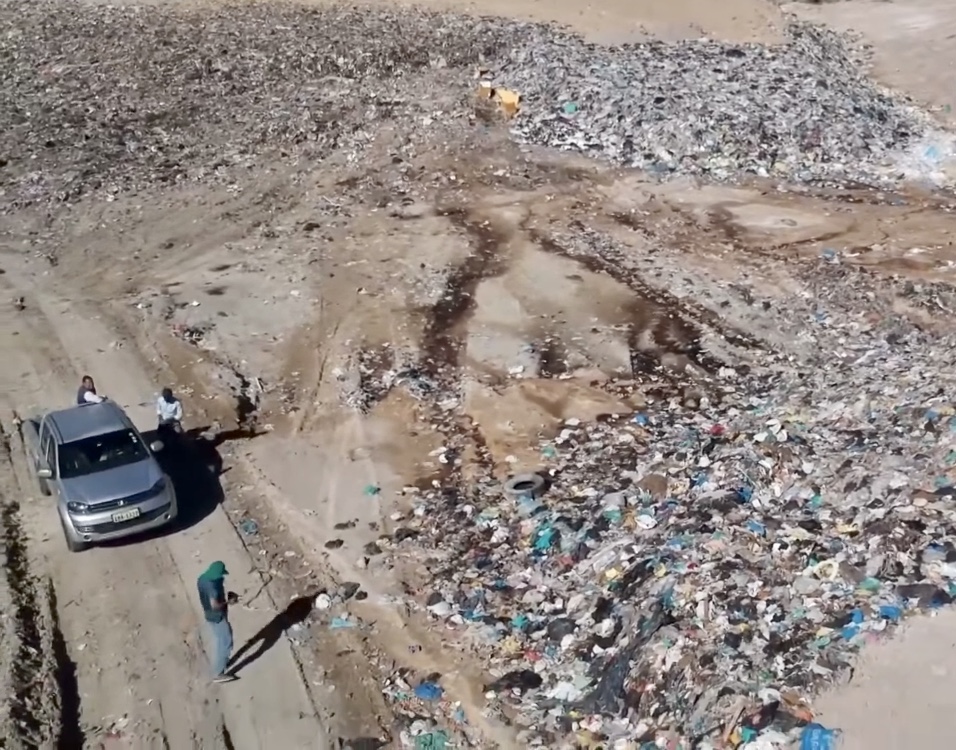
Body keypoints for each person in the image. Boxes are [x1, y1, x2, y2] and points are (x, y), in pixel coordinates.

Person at [197, 561, 237, 683]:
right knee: (226, 642)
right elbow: (215, 605)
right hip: (217, 616)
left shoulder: (202, 579)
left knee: (221, 639)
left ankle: (222, 660)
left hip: (209, 614)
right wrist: (228, 602)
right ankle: (218, 673)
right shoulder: (212, 587)